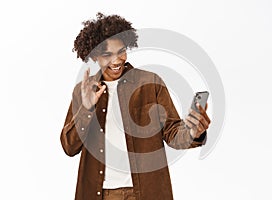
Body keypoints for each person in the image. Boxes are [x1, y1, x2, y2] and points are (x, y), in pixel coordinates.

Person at [60, 12, 211, 200]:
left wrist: (193, 132)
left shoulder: (150, 83)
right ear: (95, 56)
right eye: (107, 54)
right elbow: (69, 147)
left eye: (121, 51)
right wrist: (87, 109)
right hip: (101, 195)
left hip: (146, 192)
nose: (117, 61)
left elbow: (173, 134)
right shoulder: (83, 91)